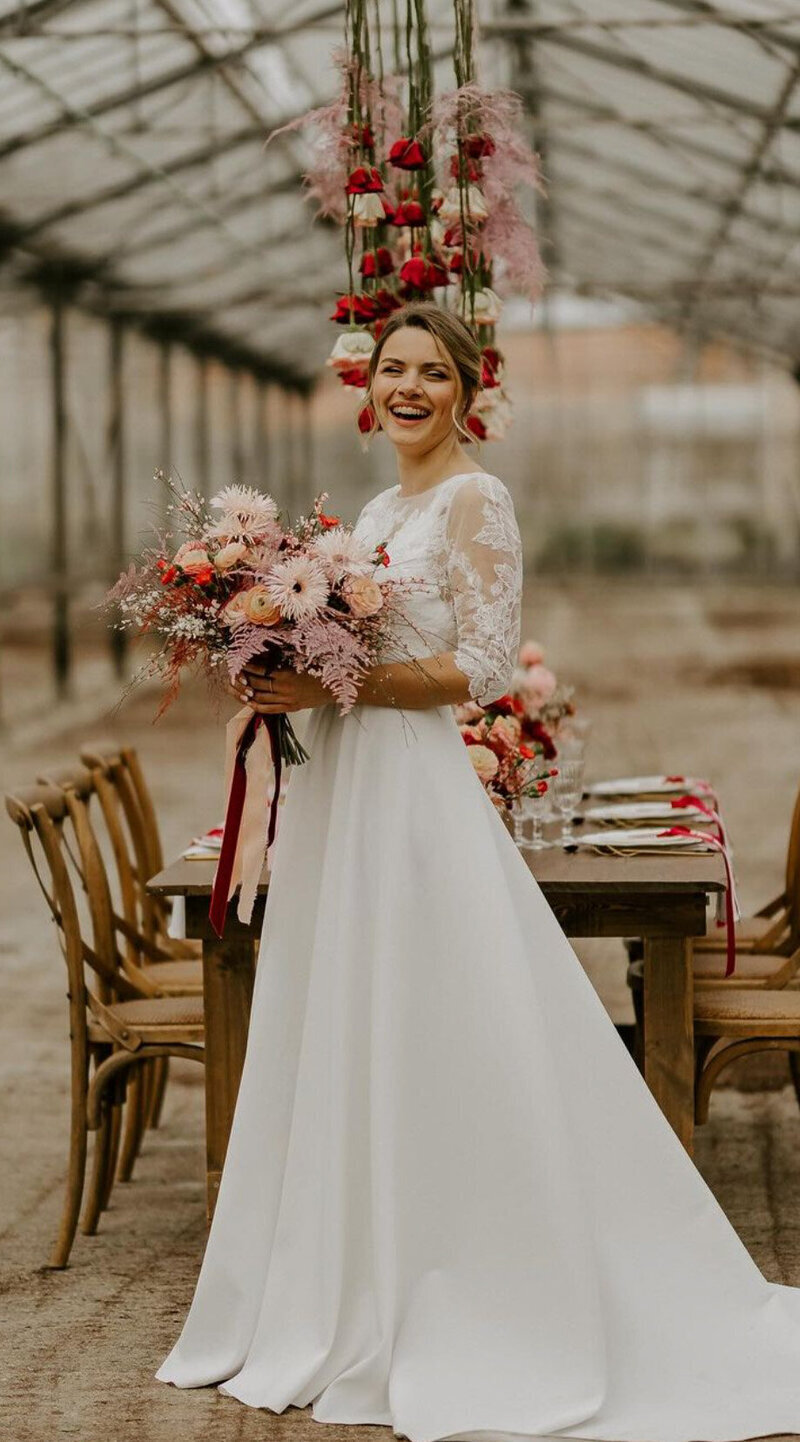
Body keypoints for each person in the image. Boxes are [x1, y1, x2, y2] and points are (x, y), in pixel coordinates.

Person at [157, 303, 800, 1440]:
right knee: (344, 1014)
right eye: (391, 369)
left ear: (466, 392)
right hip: (345, 794)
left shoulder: (472, 497)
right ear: (371, 390)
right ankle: (349, 1277)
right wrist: (279, 662)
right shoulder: (375, 507)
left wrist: (331, 686)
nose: (408, 387)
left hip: (411, 791)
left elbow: (486, 663)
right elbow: (342, 645)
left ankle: (469, 1274)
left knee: (441, 1013)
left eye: (431, 372)